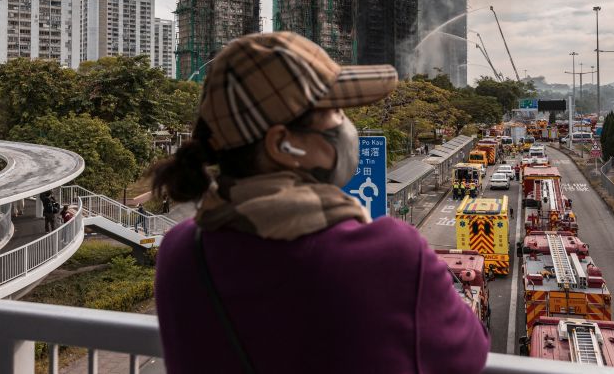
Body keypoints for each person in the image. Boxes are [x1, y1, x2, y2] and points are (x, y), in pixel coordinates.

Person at [149, 32, 488, 374]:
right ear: (282, 144)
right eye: (333, 112)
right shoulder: (389, 254)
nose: (346, 125)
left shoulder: (181, 251)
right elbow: (469, 354)